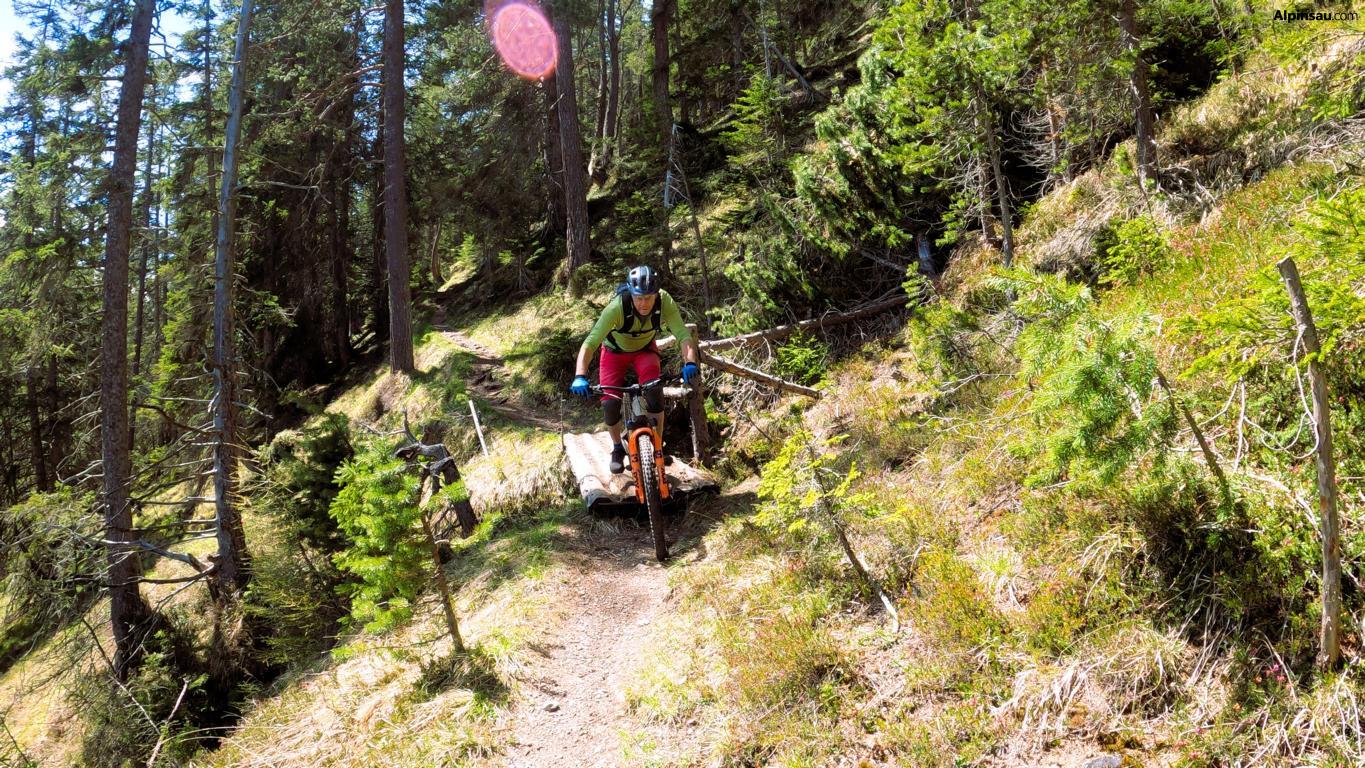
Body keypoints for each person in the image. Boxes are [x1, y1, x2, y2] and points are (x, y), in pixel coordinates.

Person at [570, 265, 701, 473]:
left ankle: (657, 444)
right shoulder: (617, 308)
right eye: (638, 298)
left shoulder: (664, 301)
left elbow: (682, 335)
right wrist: (580, 375)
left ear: (656, 294)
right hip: (614, 352)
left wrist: (690, 362)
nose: (644, 303)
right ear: (631, 294)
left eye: (649, 298)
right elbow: (590, 343)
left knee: (655, 393)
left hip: (645, 351)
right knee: (610, 404)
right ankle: (617, 448)